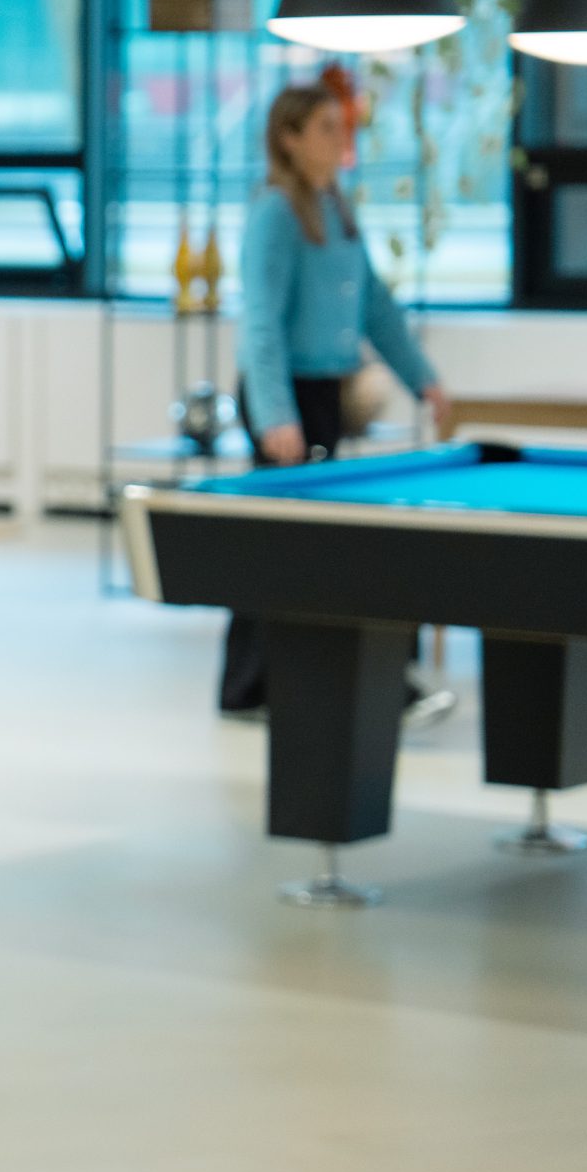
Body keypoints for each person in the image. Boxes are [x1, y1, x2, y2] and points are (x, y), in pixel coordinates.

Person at [219, 82, 454, 719]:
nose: (340, 137)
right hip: (285, 397)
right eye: (325, 127)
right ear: (289, 139)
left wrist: (424, 380)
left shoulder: (336, 207)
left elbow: (375, 306)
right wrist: (277, 417)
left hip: (325, 393)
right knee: (284, 545)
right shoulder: (275, 213)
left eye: (341, 125)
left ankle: (320, 682)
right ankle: (253, 687)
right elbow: (261, 323)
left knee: (305, 543)